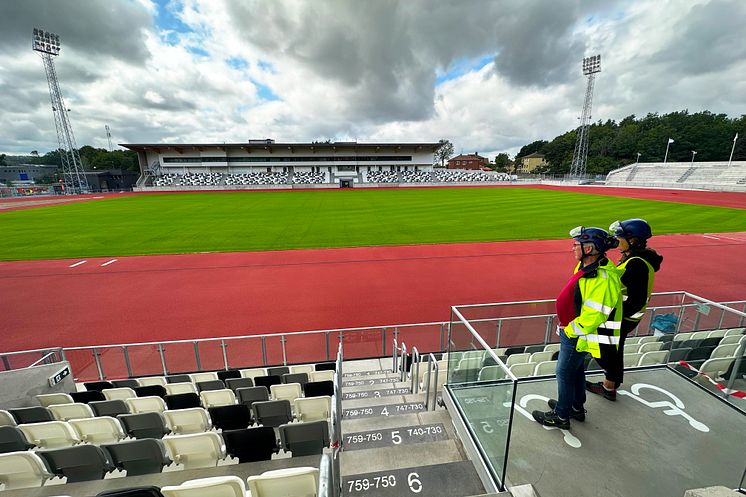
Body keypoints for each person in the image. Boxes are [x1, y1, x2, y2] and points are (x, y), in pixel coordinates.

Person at [532, 226, 623, 429]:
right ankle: (575, 407)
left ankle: (562, 416)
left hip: (579, 334)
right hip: (576, 330)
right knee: (575, 370)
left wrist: (569, 330)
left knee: (564, 373)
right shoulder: (588, 267)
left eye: (577, 245)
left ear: (589, 249)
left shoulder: (603, 278)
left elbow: (594, 316)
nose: (573, 248)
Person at [586, 218, 663, 400]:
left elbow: (636, 298)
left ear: (633, 240)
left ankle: (610, 383)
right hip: (624, 317)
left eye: (619, 236)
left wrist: (612, 316)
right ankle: (610, 386)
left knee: (604, 349)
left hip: (622, 317)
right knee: (615, 349)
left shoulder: (636, 263)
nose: (616, 240)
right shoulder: (636, 258)